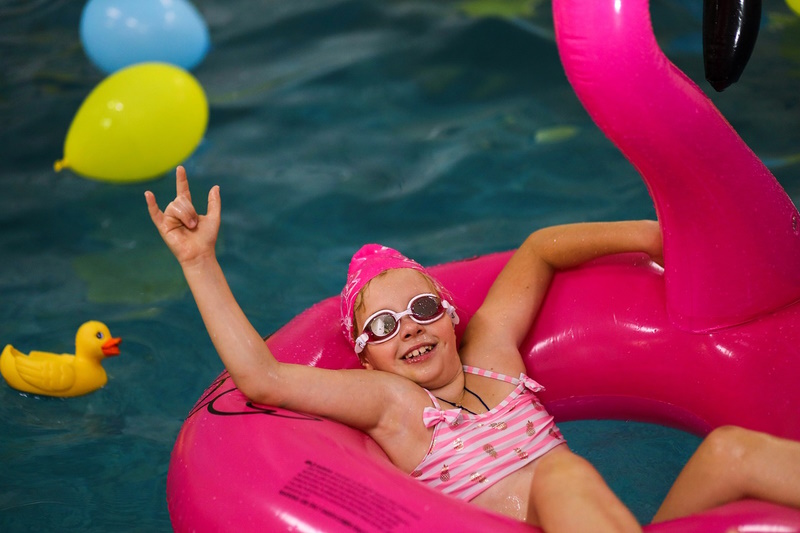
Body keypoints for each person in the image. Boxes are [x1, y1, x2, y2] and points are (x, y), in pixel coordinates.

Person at [146, 166, 800, 532]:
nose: (408, 329)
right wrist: (200, 262)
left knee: (732, 448)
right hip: (546, 510)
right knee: (562, 472)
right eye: (382, 327)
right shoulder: (395, 405)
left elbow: (541, 247)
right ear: (365, 356)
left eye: (422, 308)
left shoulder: (493, 353)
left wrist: (655, 236)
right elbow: (261, 378)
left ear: (452, 315)